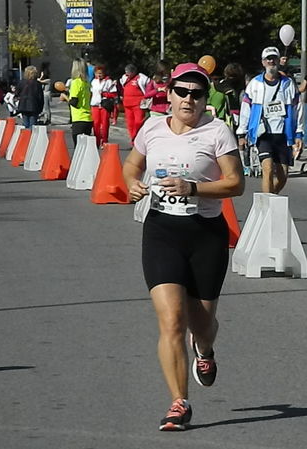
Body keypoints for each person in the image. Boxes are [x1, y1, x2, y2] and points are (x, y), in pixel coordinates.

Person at [122, 62, 244, 431]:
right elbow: (131, 165)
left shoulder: (217, 131)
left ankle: (204, 350)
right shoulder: (152, 128)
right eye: (182, 92)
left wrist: (193, 188)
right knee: (172, 321)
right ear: (169, 94)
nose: (188, 99)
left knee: (200, 323)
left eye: (197, 93)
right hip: (161, 231)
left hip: (205, 233)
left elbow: (236, 184)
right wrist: (131, 183)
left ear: (206, 99)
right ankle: (179, 402)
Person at [237, 47, 303, 194]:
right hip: (263, 134)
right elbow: (246, 109)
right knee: (267, 169)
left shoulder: (288, 84)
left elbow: (298, 108)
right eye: (268, 59)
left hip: (283, 134)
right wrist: (242, 132)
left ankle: (270, 197)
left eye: (274, 58)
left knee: (282, 175)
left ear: (279, 61)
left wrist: (299, 132)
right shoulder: (255, 84)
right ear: (263, 62)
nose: (271, 61)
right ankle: (268, 206)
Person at [60, 58, 93, 146]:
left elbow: (74, 102)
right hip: (88, 117)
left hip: (79, 118)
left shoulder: (75, 82)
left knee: (78, 148)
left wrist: (65, 97)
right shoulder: (86, 83)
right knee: (85, 148)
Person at [120, 64, 149, 146]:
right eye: (126, 72)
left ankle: (137, 138)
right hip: (127, 104)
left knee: (138, 122)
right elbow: (121, 85)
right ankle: (133, 140)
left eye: (128, 72)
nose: (127, 74)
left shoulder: (141, 78)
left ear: (133, 72)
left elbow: (148, 85)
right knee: (130, 124)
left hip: (138, 104)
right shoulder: (124, 78)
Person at [90, 65, 118, 147]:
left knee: (104, 124)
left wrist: (105, 93)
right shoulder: (93, 82)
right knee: (95, 124)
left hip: (104, 105)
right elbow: (91, 93)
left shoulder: (108, 81)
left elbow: (114, 94)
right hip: (94, 105)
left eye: (100, 73)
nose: (99, 75)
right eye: (97, 73)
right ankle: (97, 141)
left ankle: (104, 140)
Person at [15, 65, 44, 129]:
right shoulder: (37, 84)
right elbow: (40, 97)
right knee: (32, 125)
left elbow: (17, 93)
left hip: (23, 105)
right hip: (34, 106)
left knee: (26, 124)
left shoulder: (22, 82)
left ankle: (26, 136)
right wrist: (40, 109)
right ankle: (31, 136)